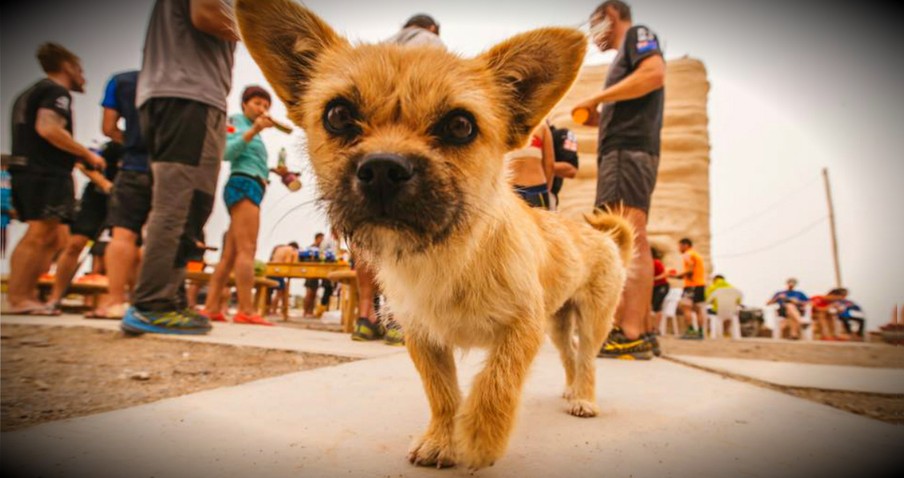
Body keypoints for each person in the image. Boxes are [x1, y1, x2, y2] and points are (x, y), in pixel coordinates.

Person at [121, 0, 238, 335]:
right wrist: (264, 32)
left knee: (188, 203)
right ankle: (152, 303)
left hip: (179, 94)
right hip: (190, 96)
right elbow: (206, 13)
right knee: (180, 202)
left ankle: (166, 298)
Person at [574, 1, 666, 359]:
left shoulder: (638, 37)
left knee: (625, 236)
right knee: (628, 235)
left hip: (626, 153)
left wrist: (597, 97)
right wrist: (603, 117)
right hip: (627, 151)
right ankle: (639, 329)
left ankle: (627, 332)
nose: (593, 34)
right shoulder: (625, 55)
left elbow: (653, 75)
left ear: (610, 15)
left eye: (595, 24)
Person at [6, 42, 106, 314]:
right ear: (68, 66)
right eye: (80, 69)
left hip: (32, 169)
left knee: (52, 238)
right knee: (40, 234)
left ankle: (21, 294)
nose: (83, 76)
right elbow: (48, 128)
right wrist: (87, 154)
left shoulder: (32, 92)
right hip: (44, 172)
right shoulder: (56, 91)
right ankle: (19, 297)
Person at [202, 85, 276, 326]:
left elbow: (251, 160)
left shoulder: (255, 134)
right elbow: (226, 152)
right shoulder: (237, 122)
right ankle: (246, 309)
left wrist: (272, 172)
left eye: (265, 106)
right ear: (244, 104)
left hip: (253, 184)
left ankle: (211, 306)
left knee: (231, 253)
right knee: (248, 249)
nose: (261, 109)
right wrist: (254, 129)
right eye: (257, 103)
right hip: (243, 184)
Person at [92, 70, 151, 319]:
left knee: (122, 234)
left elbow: (108, 127)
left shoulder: (122, 81)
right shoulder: (179, 80)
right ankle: (143, 302)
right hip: (167, 166)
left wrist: (128, 140)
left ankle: (115, 301)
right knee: (153, 236)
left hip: (133, 164)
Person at [45, 142, 120, 313]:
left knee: (113, 252)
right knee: (75, 244)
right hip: (96, 199)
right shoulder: (111, 145)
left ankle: (111, 303)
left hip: (126, 200)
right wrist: (104, 183)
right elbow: (83, 164)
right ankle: (55, 297)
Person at [506, 122, 555, 209]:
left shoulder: (505, 123)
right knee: (540, 222)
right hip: (537, 187)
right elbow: (550, 165)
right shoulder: (542, 126)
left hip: (510, 189)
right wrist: (547, 190)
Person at [671, 238, 707, 339]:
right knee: (699, 309)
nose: (679, 248)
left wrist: (677, 276)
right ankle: (700, 332)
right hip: (700, 285)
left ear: (685, 245)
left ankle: (690, 331)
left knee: (686, 307)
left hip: (691, 285)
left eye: (680, 246)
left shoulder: (687, 254)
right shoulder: (696, 255)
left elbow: (690, 270)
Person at [268, 242, 298, 317]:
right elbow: (288, 263)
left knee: (283, 290)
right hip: (278, 271)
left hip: (271, 269)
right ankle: (274, 310)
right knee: (280, 292)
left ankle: (281, 311)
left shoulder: (279, 248)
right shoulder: (291, 250)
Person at [303, 232, 326, 317]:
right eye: (321, 239)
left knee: (314, 293)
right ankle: (305, 312)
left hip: (316, 273)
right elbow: (307, 260)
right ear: (317, 238)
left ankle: (310, 312)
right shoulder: (312, 248)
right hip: (310, 272)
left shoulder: (321, 249)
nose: (322, 241)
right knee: (309, 293)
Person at [650, 247, 669, 337]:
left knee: (656, 307)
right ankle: (653, 328)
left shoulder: (656, 262)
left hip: (661, 286)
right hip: (654, 286)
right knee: (655, 307)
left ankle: (656, 328)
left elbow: (664, 274)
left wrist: (653, 279)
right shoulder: (649, 263)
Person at [1, 159, 13, 258]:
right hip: (6, 206)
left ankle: (3, 254)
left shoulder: (8, 176)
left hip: (5, 206)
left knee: (3, 230)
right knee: (4, 231)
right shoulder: (10, 176)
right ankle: (3, 253)